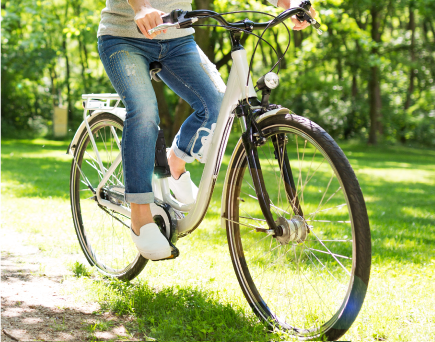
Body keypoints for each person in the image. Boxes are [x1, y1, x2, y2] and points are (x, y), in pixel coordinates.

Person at [97, 0, 316, 260]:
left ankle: (174, 163)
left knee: (220, 103)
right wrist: (141, 7)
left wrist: (287, 2)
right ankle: (140, 215)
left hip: (177, 39)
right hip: (123, 37)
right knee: (144, 112)